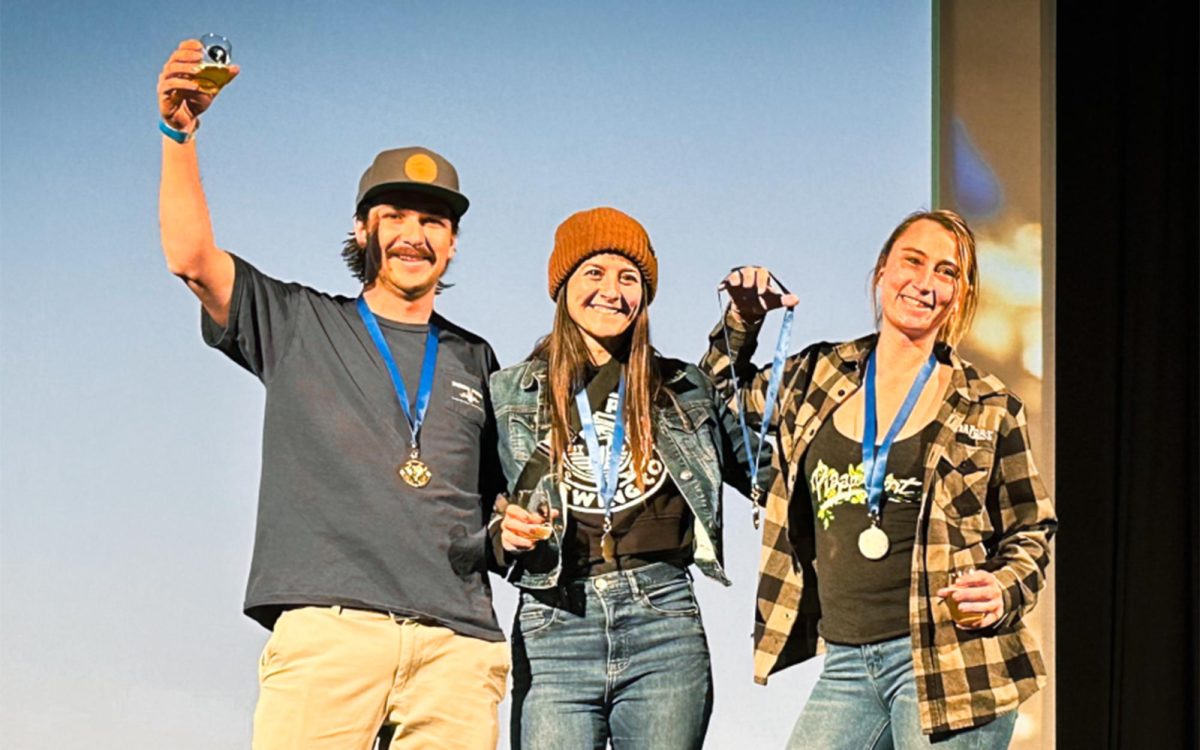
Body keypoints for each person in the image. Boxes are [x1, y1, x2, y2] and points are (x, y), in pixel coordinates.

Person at [156, 39, 508, 749]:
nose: (414, 235)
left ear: (454, 243)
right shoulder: (296, 321)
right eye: (396, 216)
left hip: (456, 646)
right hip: (330, 633)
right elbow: (192, 260)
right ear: (362, 229)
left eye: (433, 221)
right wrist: (178, 133)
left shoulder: (476, 358)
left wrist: (517, 528)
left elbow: (492, 504)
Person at [705, 209, 1056, 747]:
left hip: (950, 662)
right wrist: (742, 323)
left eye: (946, 272)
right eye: (912, 261)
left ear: (959, 294)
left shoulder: (989, 406)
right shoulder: (816, 375)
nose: (925, 282)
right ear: (881, 272)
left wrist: (1003, 588)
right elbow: (712, 404)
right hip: (847, 664)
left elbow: (1031, 530)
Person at [491, 207, 755, 749]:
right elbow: (468, 507)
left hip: (663, 619)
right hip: (553, 617)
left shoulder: (683, 389)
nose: (612, 290)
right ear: (561, 285)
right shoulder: (508, 393)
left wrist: (743, 327)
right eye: (594, 272)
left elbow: (770, 472)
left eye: (629, 278)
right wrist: (500, 532)